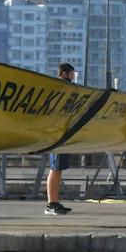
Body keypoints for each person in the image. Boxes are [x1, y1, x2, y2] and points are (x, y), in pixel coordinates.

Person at [45, 62, 78, 215]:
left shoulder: (63, 88)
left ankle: (55, 201)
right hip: (58, 136)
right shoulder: (62, 88)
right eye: (71, 74)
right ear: (64, 73)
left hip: (63, 136)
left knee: (58, 170)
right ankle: (51, 204)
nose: (73, 77)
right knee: (55, 169)